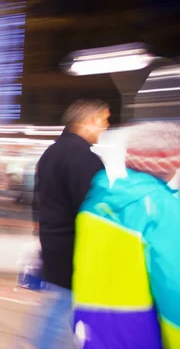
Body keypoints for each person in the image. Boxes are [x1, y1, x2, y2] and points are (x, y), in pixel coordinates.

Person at [73, 122, 180, 348]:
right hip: (141, 332)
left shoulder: (97, 200)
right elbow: (173, 284)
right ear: (168, 163)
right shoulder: (161, 208)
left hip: (92, 326)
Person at [32, 99, 110, 348]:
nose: (106, 127)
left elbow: (41, 200)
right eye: (104, 120)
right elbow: (93, 206)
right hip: (75, 244)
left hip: (54, 240)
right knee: (64, 304)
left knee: (62, 303)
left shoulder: (51, 152)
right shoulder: (82, 157)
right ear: (90, 121)